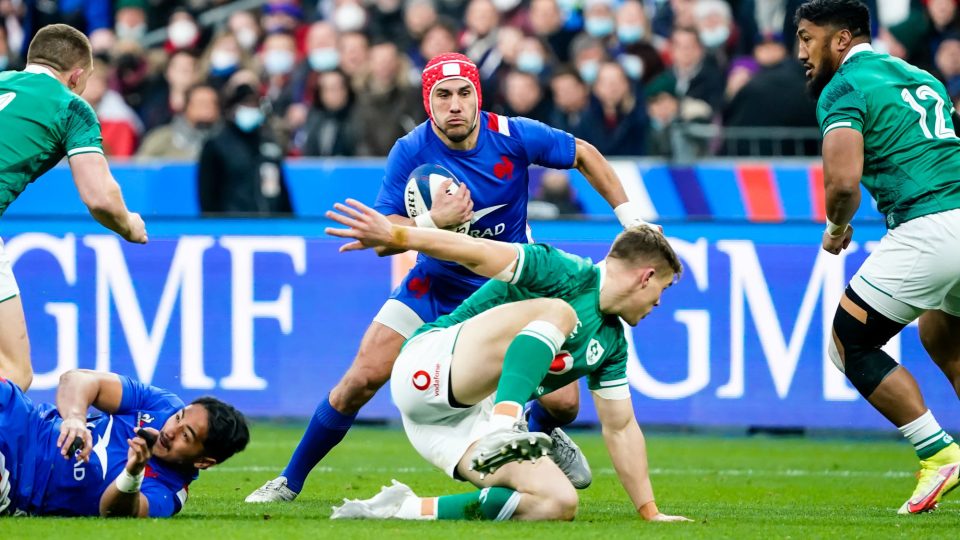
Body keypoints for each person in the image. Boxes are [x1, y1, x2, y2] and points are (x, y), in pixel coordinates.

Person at [245, 52, 654, 503]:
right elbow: (384, 239)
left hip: (507, 289)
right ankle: (289, 481)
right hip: (435, 284)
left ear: (478, 97)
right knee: (360, 379)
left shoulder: (513, 135)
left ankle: (539, 434)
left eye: (464, 93)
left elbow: (585, 154)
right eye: (443, 95)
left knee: (563, 404)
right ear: (428, 102)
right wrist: (434, 222)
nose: (455, 104)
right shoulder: (410, 150)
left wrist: (631, 219)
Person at [323, 199, 688, 523]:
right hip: (429, 365)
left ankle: (403, 509)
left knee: (557, 502)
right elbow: (474, 250)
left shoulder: (611, 343)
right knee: (558, 311)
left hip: (451, 424)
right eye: (664, 289)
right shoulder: (564, 272)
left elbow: (621, 427)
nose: (658, 302)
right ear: (647, 276)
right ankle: (507, 425)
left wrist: (650, 512)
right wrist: (399, 235)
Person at [796, 0, 960, 514]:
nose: (801, 51)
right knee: (941, 332)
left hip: (928, 227)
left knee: (848, 344)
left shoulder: (842, 88)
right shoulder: (920, 75)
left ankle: (938, 454)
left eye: (807, 37)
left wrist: (836, 226)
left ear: (841, 39)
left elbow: (842, 183)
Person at [0, 24, 147, 395]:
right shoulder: (71, 107)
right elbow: (99, 196)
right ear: (77, 75)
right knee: (13, 371)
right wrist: (128, 225)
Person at [0, 367, 248, 517]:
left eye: (186, 436)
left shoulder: (168, 493)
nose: (171, 430)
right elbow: (78, 379)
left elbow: (115, 511)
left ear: (203, 461)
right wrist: (75, 418)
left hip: (18, 480)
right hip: (24, 417)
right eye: (179, 418)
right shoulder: (164, 404)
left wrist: (134, 470)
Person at [197, 79, 292, 216]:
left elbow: (282, 190)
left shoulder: (268, 143)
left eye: (255, 105)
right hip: (233, 226)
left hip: (270, 226)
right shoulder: (216, 145)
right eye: (246, 104)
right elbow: (207, 196)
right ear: (232, 109)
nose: (251, 109)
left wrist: (288, 221)